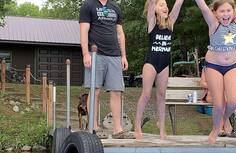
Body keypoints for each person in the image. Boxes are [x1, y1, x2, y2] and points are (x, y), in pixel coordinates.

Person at [194, 0, 236, 144]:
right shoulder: (213, 24)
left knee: (233, 102)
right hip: (213, 66)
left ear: (234, 11)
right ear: (215, 13)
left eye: (228, 11)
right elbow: (203, 7)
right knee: (218, 104)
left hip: (230, 66)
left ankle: (225, 121)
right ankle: (215, 128)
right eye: (222, 11)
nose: (225, 14)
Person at [133, 0, 184, 140]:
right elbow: (150, 4)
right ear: (154, 9)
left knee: (162, 95)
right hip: (151, 63)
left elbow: (178, 4)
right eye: (161, 5)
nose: (166, 7)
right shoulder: (151, 23)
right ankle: (137, 125)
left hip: (164, 65)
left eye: (166, 5)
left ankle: (161, 127)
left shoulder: (171, 23)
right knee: (146, 94)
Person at [79, 0, 130, 138]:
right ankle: (94, 127)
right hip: (95, 54)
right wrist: (85, 54)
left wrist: (123, 55)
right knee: (94, 91)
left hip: (114, 55)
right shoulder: (88, 5)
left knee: (116, 91)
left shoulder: (115, 7)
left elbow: (120, 33)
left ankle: (118, 129)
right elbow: (83, 30)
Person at [199, 69, 236, 137]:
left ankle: (221, 129)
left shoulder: (225, 67)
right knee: (222, 99)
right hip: (210, 95)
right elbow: (202, 83)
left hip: (223, 96)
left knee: (222, 100)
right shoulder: (207, 68)